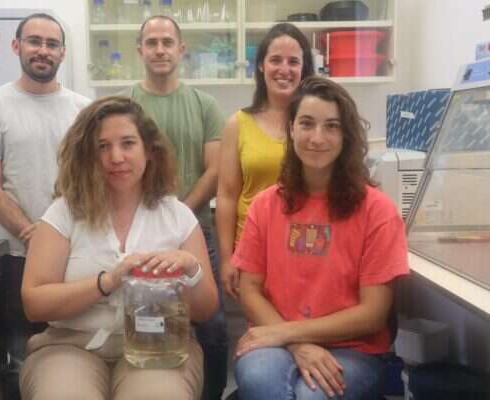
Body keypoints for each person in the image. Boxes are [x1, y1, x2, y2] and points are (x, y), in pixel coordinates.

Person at [18, 96, 219, 400]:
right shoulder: (63, 213)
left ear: (149, 150)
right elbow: (34, 303)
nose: (116, 157)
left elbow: (205, 311)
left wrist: (191, 269)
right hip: (69, 345)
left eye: (128, 143)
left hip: (160, 345)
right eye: (103, 146)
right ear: (88, 154)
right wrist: (107, 282)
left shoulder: (177, 216)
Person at [231, 77, 410, 400]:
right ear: (291, 129)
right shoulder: (264, 205)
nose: (317, 137)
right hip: (275, 341)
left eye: (331, 126)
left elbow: (373, 313)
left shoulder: (378, 210)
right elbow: (250, 289)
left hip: (353, 349)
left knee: (312, 395)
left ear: (346, 135)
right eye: (306, 123)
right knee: (259, 381)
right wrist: (297, 343)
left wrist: (288, 333)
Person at [0, 13, 91, 369]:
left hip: (76, 253)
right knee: (23, 357)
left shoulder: (84, 110)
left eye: (52, 44)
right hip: (18, 256)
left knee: (78, 352)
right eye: (34, 41)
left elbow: (92, 181)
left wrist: (57, 241)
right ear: (16, 46)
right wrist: (31, 234)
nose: (43, 50)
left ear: (63, 52)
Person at [122, 15, 228, 400]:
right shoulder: (124, 104)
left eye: (167, 42)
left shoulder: (205, 105)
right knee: (145, 321)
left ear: (181, 49)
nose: (160, 49)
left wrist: (178, 215)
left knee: (213, 325)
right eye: (151, 42)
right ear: (140, 50)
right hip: (136, 239)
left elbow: (215, 170)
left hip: (196, 233)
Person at [216, 23, 314, 300]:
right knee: (259, 321)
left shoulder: (315, 124)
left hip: (307, 247)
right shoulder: (238, 124)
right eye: (275, 60)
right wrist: (227, 258)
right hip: (252, 250)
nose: (284, 69)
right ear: (260, 65)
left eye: (293, 61)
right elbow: (226, 195)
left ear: (304, 68)